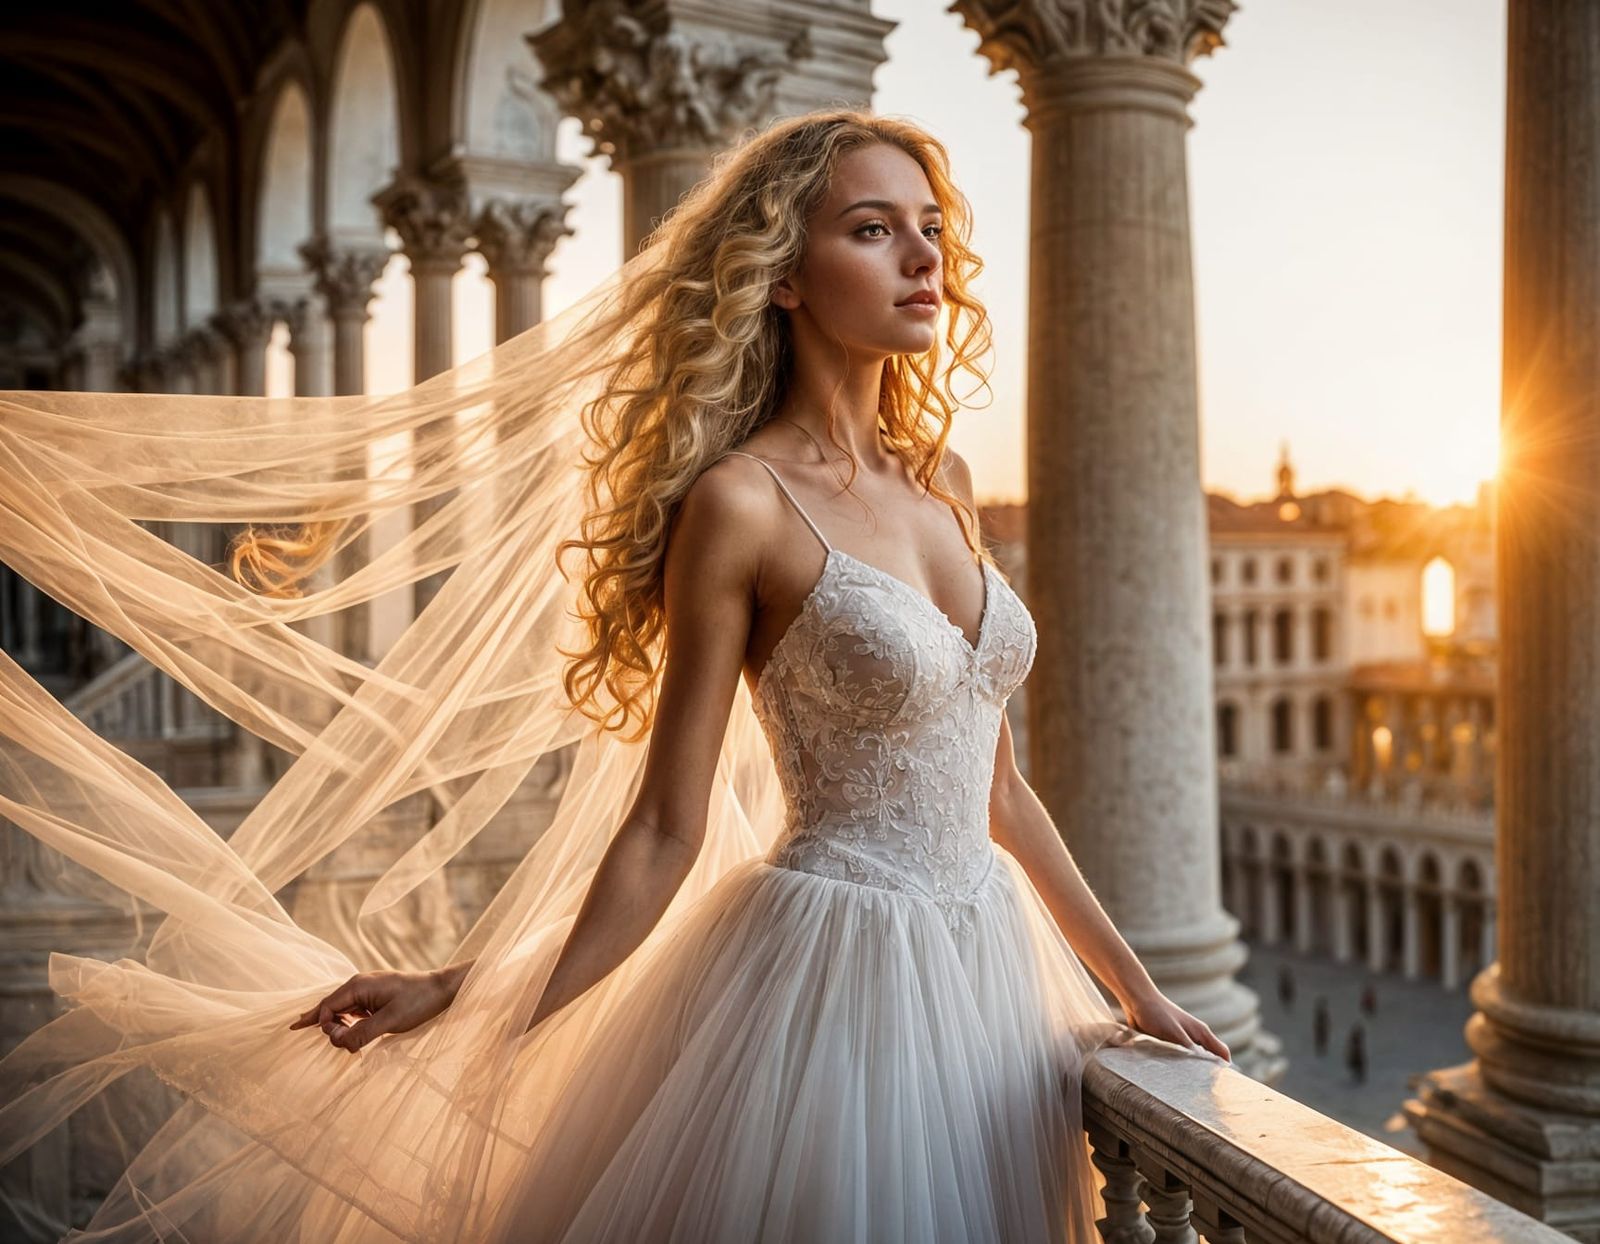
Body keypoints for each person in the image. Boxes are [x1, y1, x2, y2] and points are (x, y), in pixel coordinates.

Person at [0, 109, 1226, 1243]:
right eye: (871, 229)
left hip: (990, 971)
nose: (922, 258)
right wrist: (468, 991)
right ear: (783, 276)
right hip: (831, 978)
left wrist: (1135, 987)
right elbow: (662, 828)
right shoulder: (740, 503)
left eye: (930, 228)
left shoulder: (944, 481)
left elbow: (998, 790)